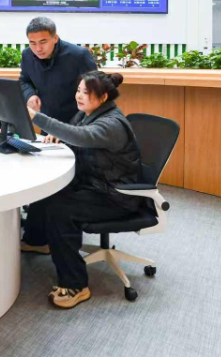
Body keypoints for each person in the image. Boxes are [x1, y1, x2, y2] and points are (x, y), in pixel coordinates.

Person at [21, 71, 145, 310]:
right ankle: (37, 240)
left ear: (103, 97)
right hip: (95, 183)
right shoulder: (88, 113)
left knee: (60, 210)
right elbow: (74, 132)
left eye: (86, 93)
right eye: (78, 90)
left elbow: (81, 136)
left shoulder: (112, 124)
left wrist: (37, 117)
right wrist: (59, 136)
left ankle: (76, 285)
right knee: (48, 190)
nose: (79, 96)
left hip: (116, 196)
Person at [19, 17, 97, 125]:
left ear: (55, 38)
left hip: (78, 124)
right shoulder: (27, 55)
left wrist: (75, 125)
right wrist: (30, 95)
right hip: (47, 122)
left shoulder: (79, 55)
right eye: (33, 43)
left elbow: (94, 91)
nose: (38, 49)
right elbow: (24, 81)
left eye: (43, 42)